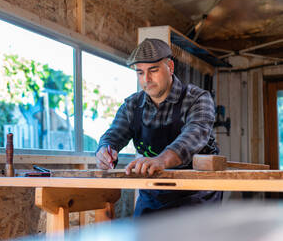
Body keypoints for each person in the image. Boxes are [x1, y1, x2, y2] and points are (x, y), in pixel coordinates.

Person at [95, 38, 222, 217]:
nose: (146, 79)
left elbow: (194, 135)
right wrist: (104, 150)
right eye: (140, 73)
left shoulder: (198, 98)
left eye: (153, 70)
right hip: (153, 192)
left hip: (196, 194)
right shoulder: (132, 105)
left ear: (170, 66)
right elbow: (113, 134)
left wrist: (161, 160)